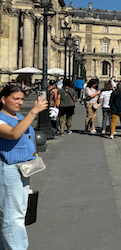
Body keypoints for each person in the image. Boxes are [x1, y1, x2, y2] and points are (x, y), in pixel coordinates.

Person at [0, 85, 48, 250]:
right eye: (16, 98)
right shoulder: (1, 118)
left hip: (23, 168)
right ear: (3, 99)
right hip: (9, 169)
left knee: (18, 211)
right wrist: (33, 111)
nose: (20, 102)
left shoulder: (19, 116)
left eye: (21, 98)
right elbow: (14, 134)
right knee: (12, 215)